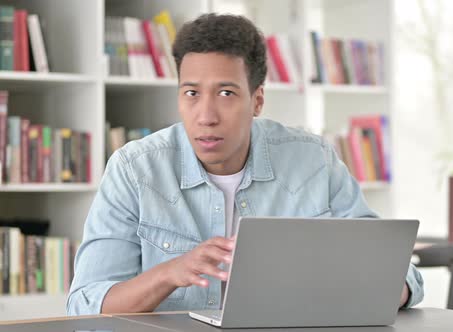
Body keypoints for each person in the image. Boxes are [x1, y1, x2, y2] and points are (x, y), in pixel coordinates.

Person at [67, 13, 424, 315]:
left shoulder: (315, 161)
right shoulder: (134, 169)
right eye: (191, 93)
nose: (205, 116)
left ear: (257, 101)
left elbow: (402, 275)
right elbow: (85, 303)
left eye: (226, 93)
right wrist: (169, 273)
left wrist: (364, 286)